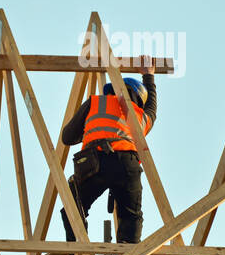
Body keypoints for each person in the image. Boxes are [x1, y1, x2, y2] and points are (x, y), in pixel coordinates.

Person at [59, 55, 158, 243]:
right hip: (127, 166)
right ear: (139, 99)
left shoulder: (95, 103)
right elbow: (152, 108)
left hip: (95, 163)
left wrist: (88, 128)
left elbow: (67, 137)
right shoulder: (141, 117)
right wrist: (149, 75)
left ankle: (78, 252)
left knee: (73, 210)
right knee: (131, 216)